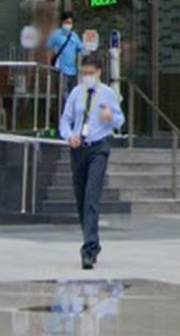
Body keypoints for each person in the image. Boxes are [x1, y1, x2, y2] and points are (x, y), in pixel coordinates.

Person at [60, 52, 123, 272]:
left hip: (98, 148)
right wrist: (69, 136)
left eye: (90, 73)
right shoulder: (76, 93)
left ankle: (88, 249)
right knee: (80, 197)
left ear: (99, 73)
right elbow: (65, 120)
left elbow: (120, 120)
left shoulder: (107, 94)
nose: (86, 76)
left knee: (91, 197)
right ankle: (93, 241)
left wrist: (110, 117)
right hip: (78, 149)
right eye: (83, 73)